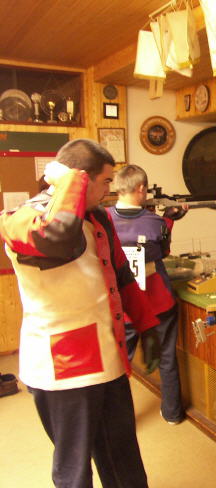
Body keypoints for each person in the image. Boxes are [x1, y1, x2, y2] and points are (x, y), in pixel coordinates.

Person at [0, 139, 161, 488]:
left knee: (123, 458)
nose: (109, 191)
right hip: (63, 367)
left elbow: (121, 275)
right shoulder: (18, 219)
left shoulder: (98, 218)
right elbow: (56, 237)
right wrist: (68, 179)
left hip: (108, 358)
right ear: (80, 179)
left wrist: (147, 325)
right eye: (105, 181)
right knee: (74, 469)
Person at [107, 164, 186, 424]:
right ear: (141, 189)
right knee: (167, 358)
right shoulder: (156, 223)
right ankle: (173, 413)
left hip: (122, 304)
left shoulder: (103, 219)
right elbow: (163, 251)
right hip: (157, 301)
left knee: (119, 362)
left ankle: (116, 419)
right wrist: (169, 219)